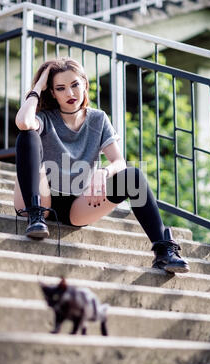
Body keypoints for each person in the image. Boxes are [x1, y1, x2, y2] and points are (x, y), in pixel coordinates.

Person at [14, 57, 189, 274]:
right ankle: (35, 215)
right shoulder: (44, 118)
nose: (70, 94)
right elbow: (23, 122)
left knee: (132, 176)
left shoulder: (98, 119)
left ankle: (164, 251)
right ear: (52, 93)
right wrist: (38, 87)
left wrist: (103, 172)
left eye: (75, 85)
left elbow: (119, 162)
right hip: (41, 197)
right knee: (27, 135)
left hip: (79, 205)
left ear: (85, 84)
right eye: (61, 88)